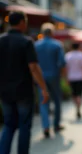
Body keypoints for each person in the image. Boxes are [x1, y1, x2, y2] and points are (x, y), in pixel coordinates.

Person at [0, 12, 49, 154]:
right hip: (23, 90)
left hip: (4, 91)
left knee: (9, 125)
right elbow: (33, 67)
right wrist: (44, 89)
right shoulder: (26, 42)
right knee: (24, 126)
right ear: (22, 22)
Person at [35, 23, 66, 138]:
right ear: (52, 33)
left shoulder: (36, 45)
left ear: (42, 33)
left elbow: (33, 64)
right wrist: (63, 77)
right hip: (54, 76)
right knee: (57, 100)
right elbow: (62, 63)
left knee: (43, 101)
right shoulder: (57, 45)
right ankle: (56, 124)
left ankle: (46, 126)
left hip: (40, 77)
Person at [65, 43, 82, 120]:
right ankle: (78, 108)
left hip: (71, 77)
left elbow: (66, 68)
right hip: (81, 77)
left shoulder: (68, 56)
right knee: (80, 94)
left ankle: (76, 107)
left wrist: (66, 78)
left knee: (74, 94)